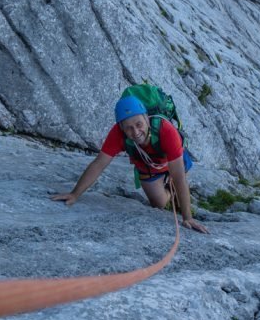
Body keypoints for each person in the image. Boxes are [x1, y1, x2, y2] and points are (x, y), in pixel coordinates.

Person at [51, 95, 209, 233]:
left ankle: (173, 189)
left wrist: (187, 218)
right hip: (147, 164)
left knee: (176, 179)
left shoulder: (166, 131)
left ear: (146, 118)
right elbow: (99, 164)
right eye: (129, 128)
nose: (135, 132)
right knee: (158, 203)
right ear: (121, 128)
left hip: (173, 160)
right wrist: (75, 194)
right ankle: (169, 189)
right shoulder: (117, 134)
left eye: (139, 124)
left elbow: (179, 176)